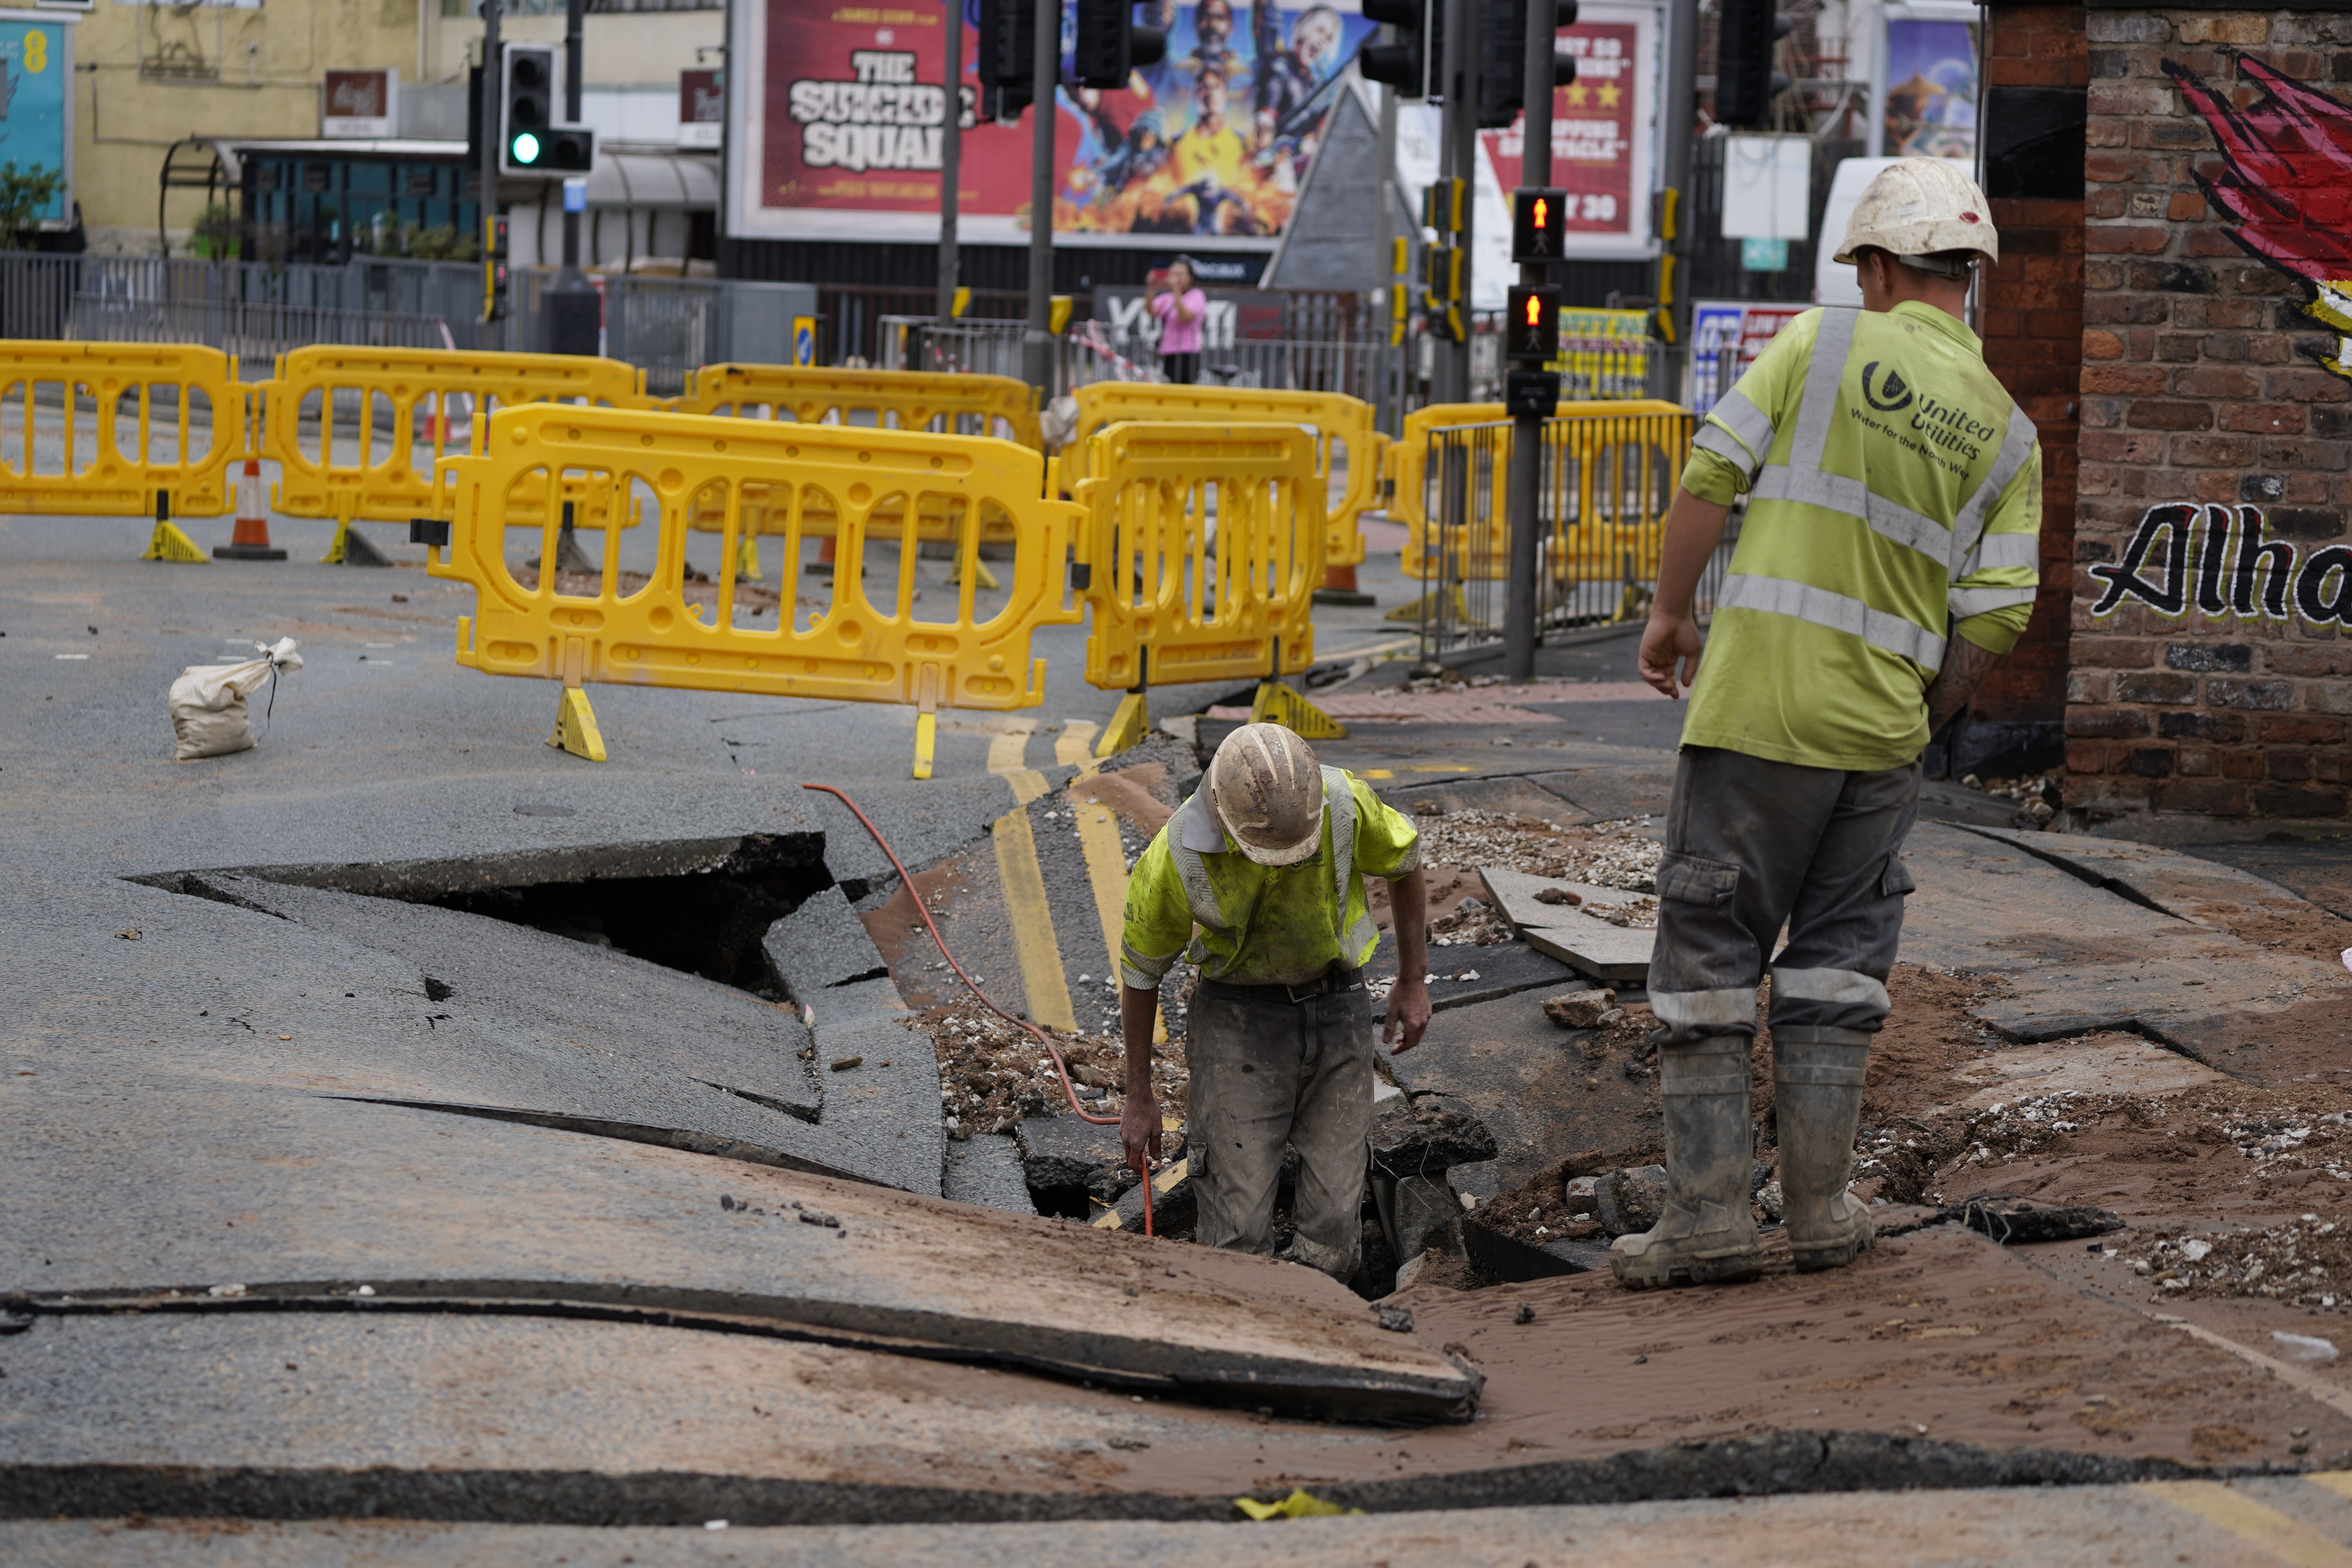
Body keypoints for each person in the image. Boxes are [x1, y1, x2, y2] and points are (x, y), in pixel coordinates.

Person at [1619, 158, 2042, 1290]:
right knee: (1842, 968)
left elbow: (1713, 474)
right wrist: (1919, 714)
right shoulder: (2008, 432)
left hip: (1758, 715)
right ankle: (1819, 1214)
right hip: (1879, 745)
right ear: (1969, 276)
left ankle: (1707, 1220)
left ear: (1876, 264)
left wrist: (1669, 617)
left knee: (1711, 952)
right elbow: (1997, 618)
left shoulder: (1824, 344)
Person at [1116, 723, 1433, 1281]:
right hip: (1237, 1025)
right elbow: (1142, 974)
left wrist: (1413, 979)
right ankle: (1241, 1343)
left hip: (1337, 1009)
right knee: (1236, 1237)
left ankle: (1320, 1336)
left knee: (1336, 1227)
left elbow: (1405, 863)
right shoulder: (1176, 857)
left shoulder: (1340, 801)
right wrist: (1140, 1097)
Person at [1149, 255, 1208, 383]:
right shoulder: (1167, 298)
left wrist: (1176, 290)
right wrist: (1151, 288)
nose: (1176, 278)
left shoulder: (1196, 295)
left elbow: (1185, 317)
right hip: (1167, 351)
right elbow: (1151, 310)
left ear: (1190, 278)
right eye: (1173, 274)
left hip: (1187, 353)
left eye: (1180, 275)